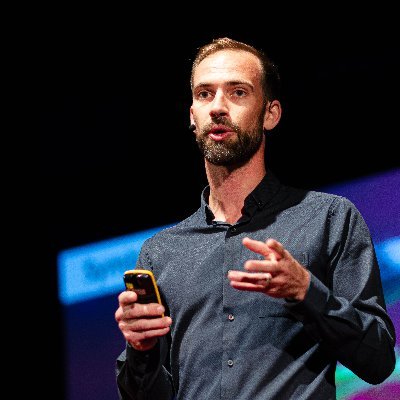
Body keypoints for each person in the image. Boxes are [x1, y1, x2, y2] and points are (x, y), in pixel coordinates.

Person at [114, 37, 396, 399]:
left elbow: (379, 361)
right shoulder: (161, 252)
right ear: (192, 116)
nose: (217, 107)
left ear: (270, 114)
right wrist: (142, 352)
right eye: (204, 94)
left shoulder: (329, 219)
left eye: (238, 93)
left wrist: (306, 292)